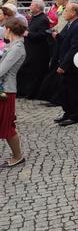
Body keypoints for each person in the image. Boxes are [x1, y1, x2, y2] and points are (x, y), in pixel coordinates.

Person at [52, 1, 78, 126]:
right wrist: (56, 36)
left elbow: (75, 48)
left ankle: (75, 116)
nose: (64, 13)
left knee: (75, 91)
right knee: (65, 90)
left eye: (66, 10)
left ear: (74, 12)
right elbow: (65, 38)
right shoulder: (71, 23)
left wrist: (64, 65)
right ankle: (67, 113)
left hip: (75, 65)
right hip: (67, 62)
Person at [0, 18, 27, 168]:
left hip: (5, 91)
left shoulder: (17, 48)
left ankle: (17, 156)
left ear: (9, 30)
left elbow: (2, 71)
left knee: (7, 125)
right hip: (4, 88)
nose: (3, 30)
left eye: (4, 28)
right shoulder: (12, 45)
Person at [17, 0, 51, 99]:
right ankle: (24, 91)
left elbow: (43, 34)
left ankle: (32, 93)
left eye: (31, 5)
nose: (30, 7)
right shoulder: (35, 17)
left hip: (38, 51)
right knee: (26, 71)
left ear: (37, 7)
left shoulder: (43, 19)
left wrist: (29, 34)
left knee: (34, 72)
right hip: (31, 49)